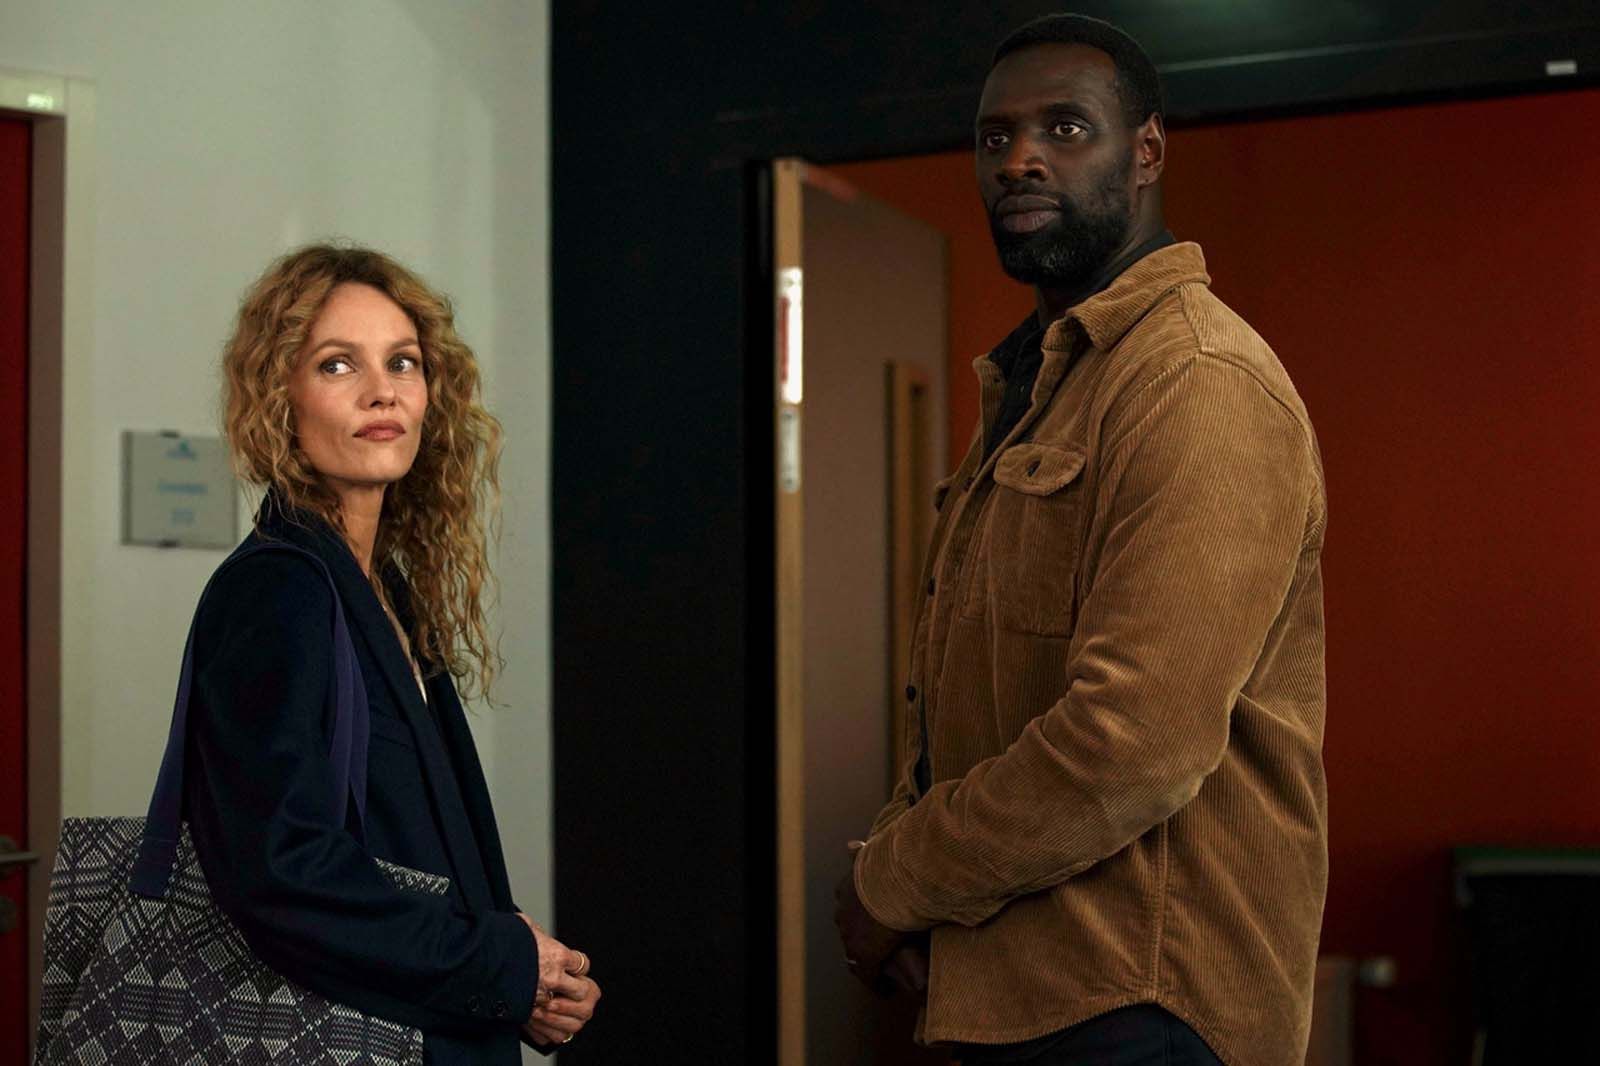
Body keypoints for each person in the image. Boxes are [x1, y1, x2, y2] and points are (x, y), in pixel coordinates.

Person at [834, 14, 1327, 1066]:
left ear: (1146, 152)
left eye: (1064, 128)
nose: (1019, 159)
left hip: (1145, 1006)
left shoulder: (1195, 380)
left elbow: (1135, 740)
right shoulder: (1044, 380)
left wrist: (893, 880)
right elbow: (967, 700)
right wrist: (911, 884)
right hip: (1025, 989)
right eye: (995, 136)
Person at [187, 244, 599, 1063]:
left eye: (402, 362)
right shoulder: (279, 588)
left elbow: (405, 844)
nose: (382, 391)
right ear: (279, 397)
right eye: (337, 364)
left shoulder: (379, 587)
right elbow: (280, 868)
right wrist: (496, 963)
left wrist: (524, 968)